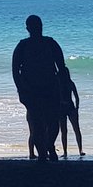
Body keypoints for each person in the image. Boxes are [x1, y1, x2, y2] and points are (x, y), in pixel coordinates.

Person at [12, 14, 65, 161]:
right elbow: (15, 71)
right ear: (28, 28)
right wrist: (21, 90)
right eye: (34, 26)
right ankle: (42, 154)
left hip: (50, 89)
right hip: (32, 91)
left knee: (53, 123)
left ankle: (49, 146)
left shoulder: (51, 43)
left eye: (38, 26)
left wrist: (64, 89)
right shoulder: (22, 46)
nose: (37, 28)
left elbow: (61, 67)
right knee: (37, 125)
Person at [58, 68, 85, 157]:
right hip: (69, 107)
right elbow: (76, 97)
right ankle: (77, 150)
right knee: (74, 129)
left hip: (65, 107)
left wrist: (77, 108)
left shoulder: (62, 83)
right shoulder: (69, 83)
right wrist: (77, 108)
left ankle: (69, 151)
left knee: (67, 130)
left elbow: (77, 97)